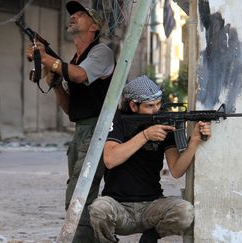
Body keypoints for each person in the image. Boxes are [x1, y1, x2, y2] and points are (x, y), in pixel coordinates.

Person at [26, 1, 115, 242]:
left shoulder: (100, 52)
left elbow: (81, 75)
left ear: (94, 26)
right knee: (79, 189)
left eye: (80, 15)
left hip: (99, 129)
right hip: (82, 129)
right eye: (72, 15)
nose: (73, 18)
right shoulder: (75, 59)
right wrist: (54, 83)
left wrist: (46, 59)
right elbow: (70, 109)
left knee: (80, 192)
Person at [88, 75, 212, 243]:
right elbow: (110, 159)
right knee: (98, 209)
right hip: (118, 206)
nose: (156, 110)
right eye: (150, 106)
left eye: (158, 104)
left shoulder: (163, 122)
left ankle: (150, 238)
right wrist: (145, 135)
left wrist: (195, 142)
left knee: (184, 211)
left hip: (151, 207)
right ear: (133, 105)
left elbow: (176, 170)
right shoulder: (117, 120)